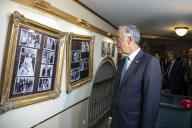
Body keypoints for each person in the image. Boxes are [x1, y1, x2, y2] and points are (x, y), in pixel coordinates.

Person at [108, 25, 162, 128]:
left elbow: (151, 104)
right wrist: (111, 116)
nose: (115, 42)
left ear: (130, 39)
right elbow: (116, 92)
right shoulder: (122, 62)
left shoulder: (150, 63)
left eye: (118, 38)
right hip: (117, 120)